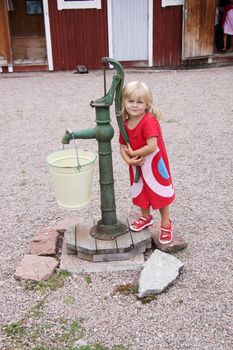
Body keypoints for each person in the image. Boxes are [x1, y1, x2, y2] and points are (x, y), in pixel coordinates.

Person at [119, 81, 175, 244]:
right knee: (141, 191)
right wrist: (129, 159)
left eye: (139, 102)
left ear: (146, 104)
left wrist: (133, 154)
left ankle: (166, 223)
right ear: (124, 102)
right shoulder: (125, 123)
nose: (135, 105)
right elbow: (122, 146)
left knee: (159, 191)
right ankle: (146, 217)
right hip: (137, 165)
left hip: (154, 164)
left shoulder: (148, 121)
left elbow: (152, 146)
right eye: (131, 101)